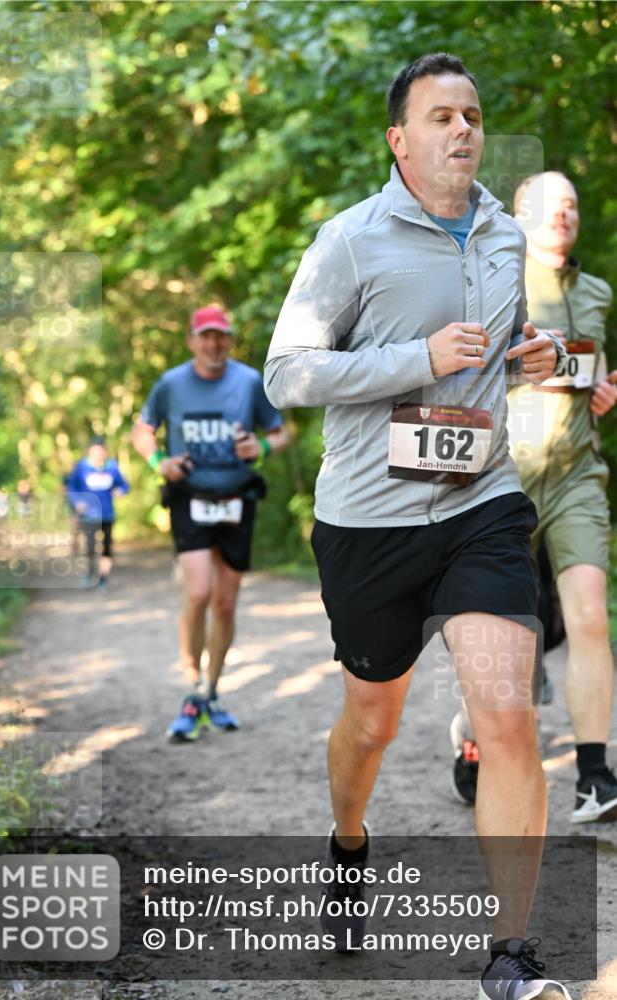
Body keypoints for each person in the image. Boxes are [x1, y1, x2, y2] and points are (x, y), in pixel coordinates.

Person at [266, 53, 570, 1000]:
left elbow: (512, 343)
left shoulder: (502, 236)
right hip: (368, 524)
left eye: (472, 114)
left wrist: (539, 353)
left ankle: (509, 957)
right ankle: (349, 847)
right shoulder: (349, 242)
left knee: (508, 718)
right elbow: (288, 375)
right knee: (373, 718)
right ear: (399, 139)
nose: (463, 130)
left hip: (479, 506)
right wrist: (416, 357)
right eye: (441, 116)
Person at [452, 172, 616, 822]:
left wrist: (602, 387)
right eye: (549, 206)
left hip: (576, 475)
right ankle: (472, 737)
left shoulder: (597, 290)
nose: (563, 216)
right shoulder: (491, 277)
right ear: (519, 215)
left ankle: (594, 776)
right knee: (508, 637)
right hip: (504, 475)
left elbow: (592, 372)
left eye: (572, 206)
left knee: (589, 615)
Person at [132, 305, 288, 742]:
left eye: (221, 336)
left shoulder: (250, 382)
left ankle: (212, 690)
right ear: (191, 340)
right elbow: (142, 430)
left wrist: (259, 447)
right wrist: (159, 461)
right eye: (206, 336)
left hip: (238, 499)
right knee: (198, 591)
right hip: (190, 498)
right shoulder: (171, 384)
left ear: (230, 340)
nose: (214, 343)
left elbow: (280, 433)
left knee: (225, 602)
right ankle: (191, 689)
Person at [67, 436, 130, 586]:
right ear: (90, 451)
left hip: (107, 513)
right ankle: (88, 572)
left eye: (101, 451)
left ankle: (104, 577)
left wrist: (120, 491)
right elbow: (71, 488)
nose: (98, 454)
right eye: (95, 451)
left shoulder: (112, 467)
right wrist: (77, 502)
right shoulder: (82, 467)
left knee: (107, 547)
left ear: (105, 451)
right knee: (89, 546)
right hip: (89, 515)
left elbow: (125, 485)